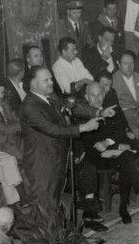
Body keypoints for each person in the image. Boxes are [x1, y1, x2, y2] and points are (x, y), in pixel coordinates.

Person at [81, 82, 139, 224]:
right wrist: (115, 145)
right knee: (127, 157)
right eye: (92, 95)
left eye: (99, 95)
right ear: (86, 97)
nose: (96, 99)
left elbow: (120, 131)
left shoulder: (109, 109)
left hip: (113, 152)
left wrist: (110, 143)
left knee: (126, 159)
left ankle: (123, 208)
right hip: (96, 157)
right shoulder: (83, 114)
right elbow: (91, 142)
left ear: (104, 95)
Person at [20, 66, 100, 207]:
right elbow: (51, 129)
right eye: (46, 80)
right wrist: (83, 127)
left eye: (51, 78)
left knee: (55, 204)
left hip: (57, 159)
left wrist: (98, 113)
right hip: (42, 165)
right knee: (45, 207)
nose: (51, 82)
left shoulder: (51, 96)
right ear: (33, 84)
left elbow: (70, 107)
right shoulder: (29, 106)